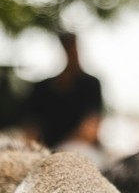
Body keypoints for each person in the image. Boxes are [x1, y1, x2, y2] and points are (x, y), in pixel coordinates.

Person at [25, 32, 104, 163]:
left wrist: (63, 149)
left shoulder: (90, 84)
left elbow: (91, 127)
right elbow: (31, 127)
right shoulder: (41, 88)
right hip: (46, 151)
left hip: (78, 149)